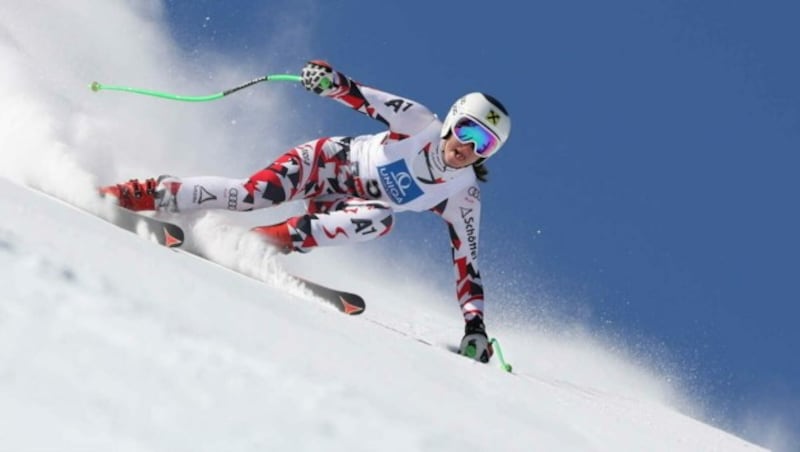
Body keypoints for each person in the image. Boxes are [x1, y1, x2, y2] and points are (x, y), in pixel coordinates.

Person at [101, 60, 511, 363]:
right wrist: (331, 83)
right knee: (250, 195)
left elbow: (467, 266)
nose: (468, 149)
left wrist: (475, 326)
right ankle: (139, 194)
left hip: (345, 203)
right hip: (325, 163)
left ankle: (256, 243)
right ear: (452, 122)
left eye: (485, 145)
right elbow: (364, 98)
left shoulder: (463, 195)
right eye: (467, 131)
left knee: (380, 220)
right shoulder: (420, 123)